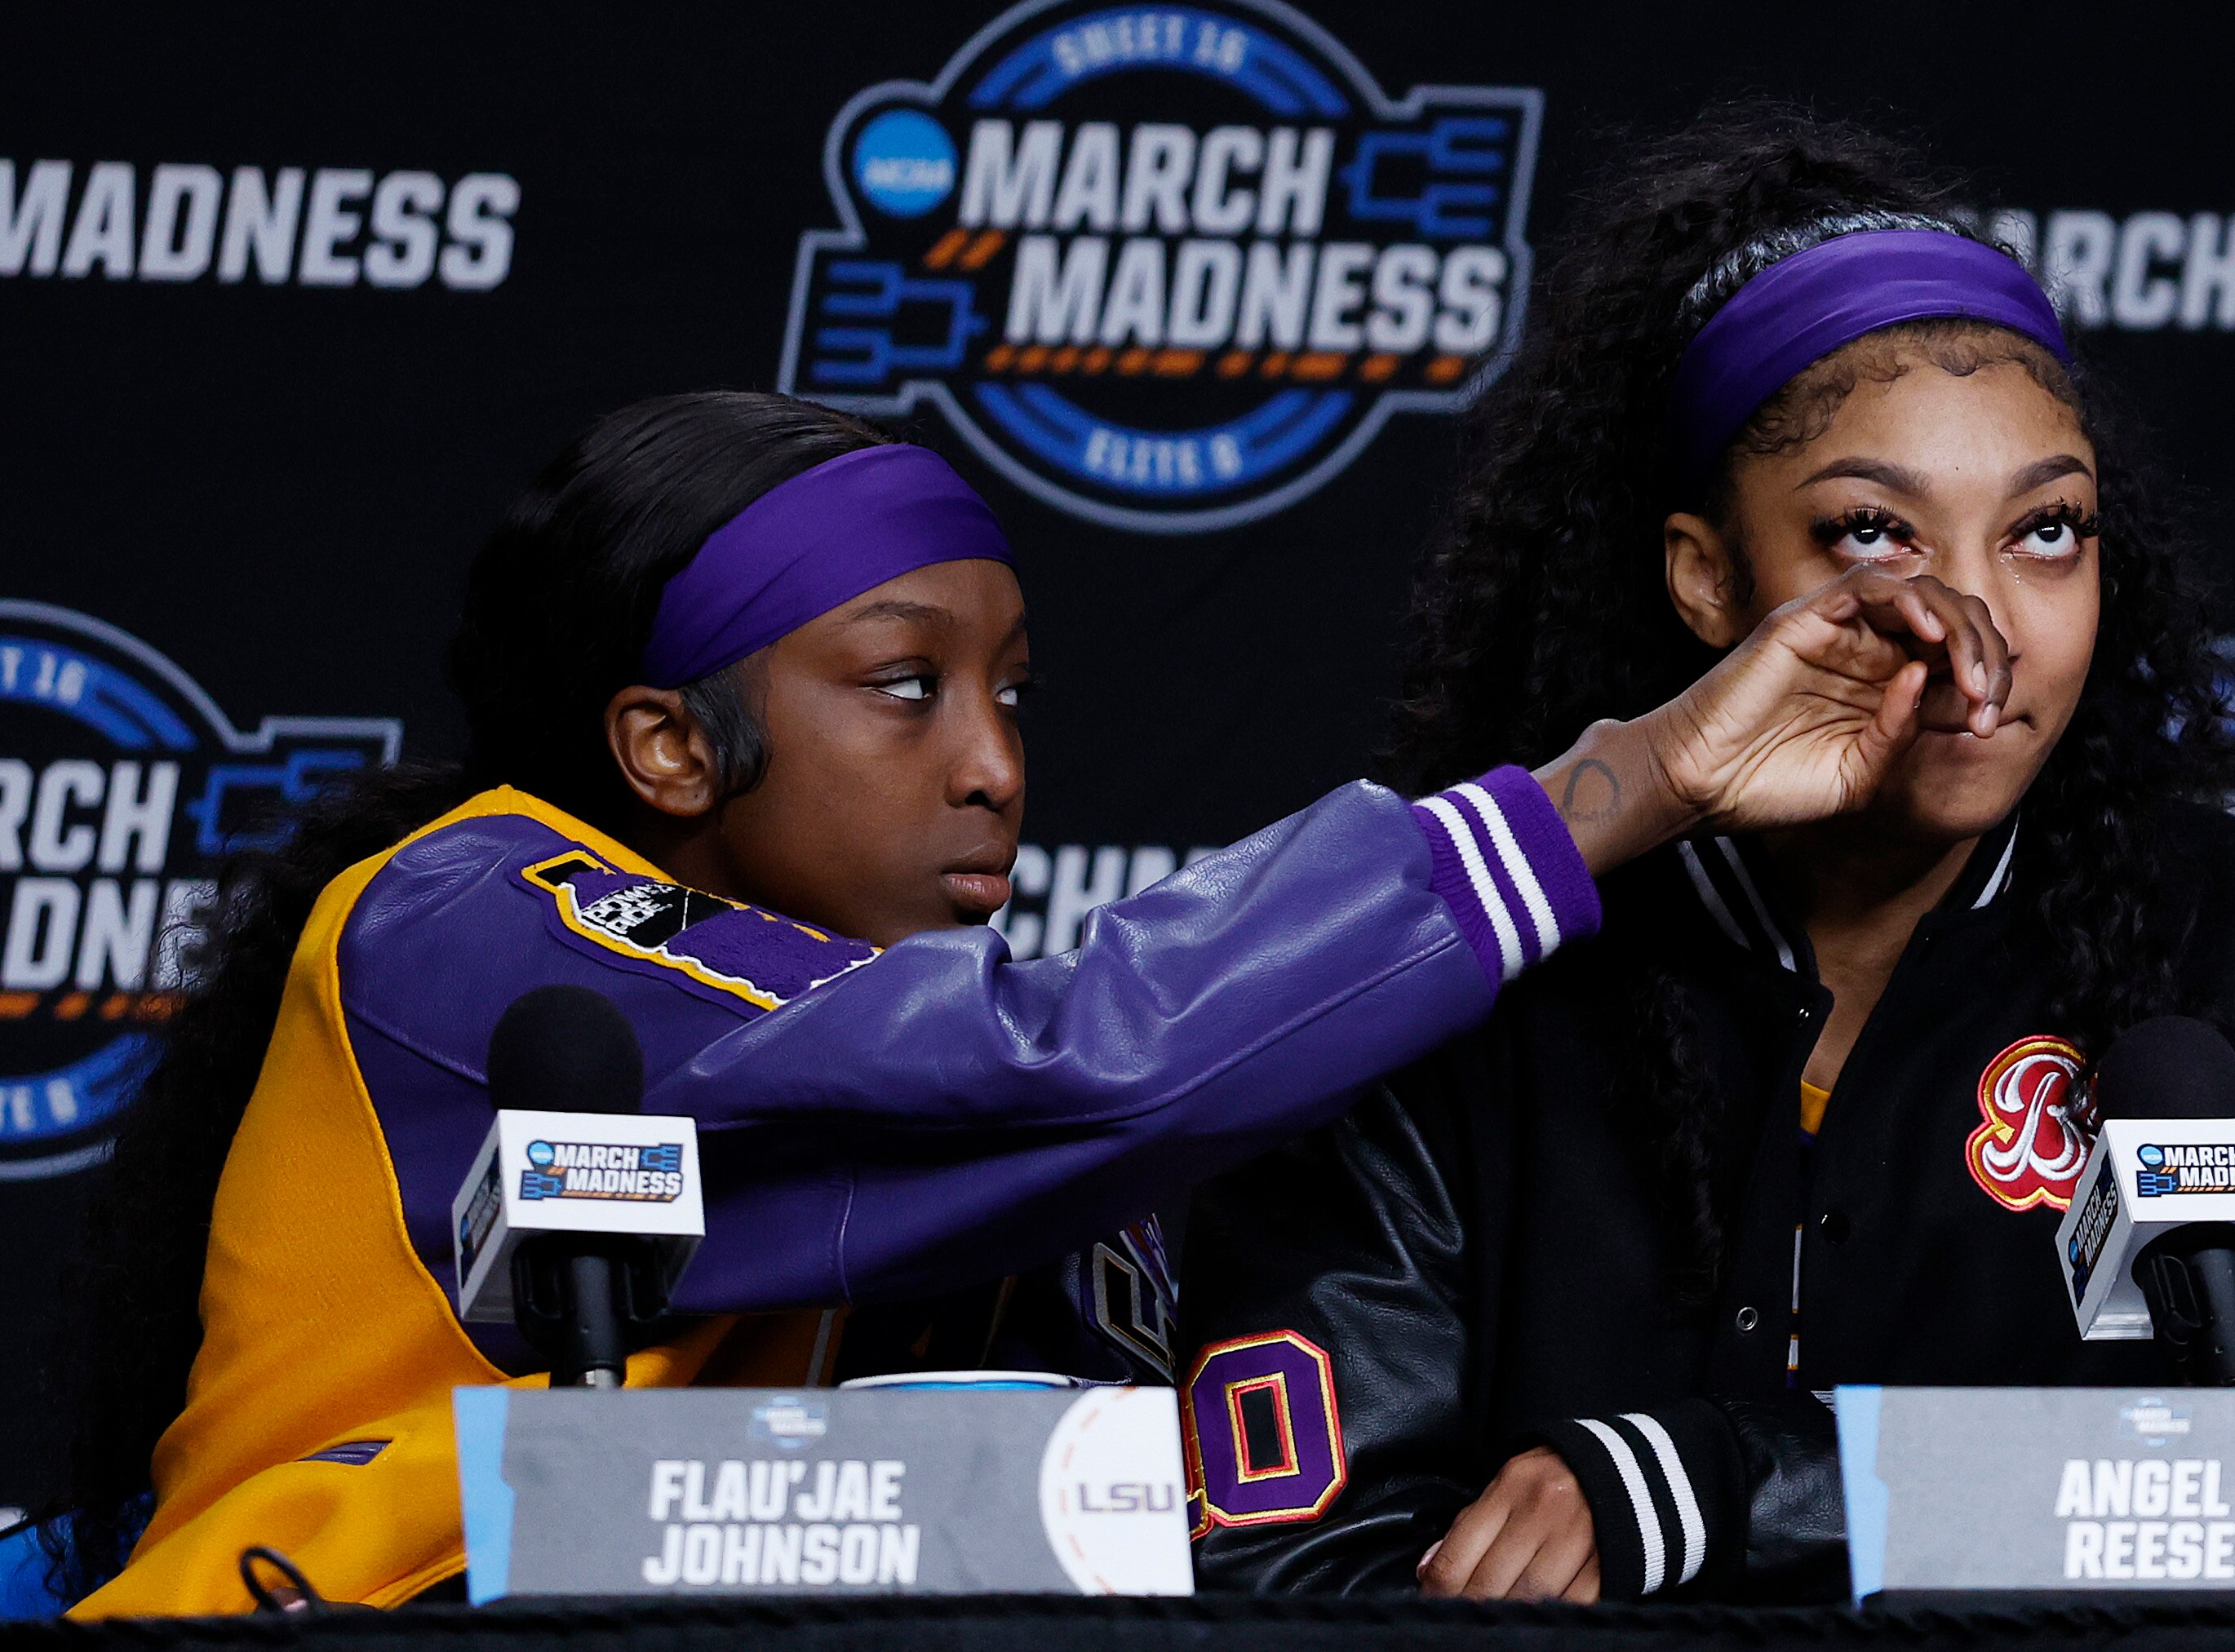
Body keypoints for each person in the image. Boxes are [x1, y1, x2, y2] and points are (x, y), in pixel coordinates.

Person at [38, 390, 2009, 1616]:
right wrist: (1614, 791)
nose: (993, 764)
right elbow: (1068, 1066)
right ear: (663, 746)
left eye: (1015, 693)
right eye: (906, 685)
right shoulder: (469, 911)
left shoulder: (923, 1048)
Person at [1174, 108, 2235, 1605]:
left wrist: (1731, 1489)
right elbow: (1293, 1563)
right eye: (1874, 535)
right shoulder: (1458, 972)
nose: (1972, 634)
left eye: (2045, 532)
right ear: (1704, 574)